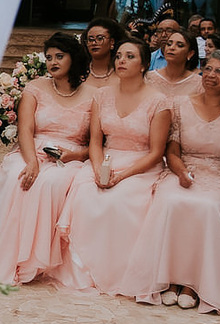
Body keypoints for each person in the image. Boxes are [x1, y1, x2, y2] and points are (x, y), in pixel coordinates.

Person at [126, 50, 220, 313]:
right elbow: (171, 152)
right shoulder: (182, 104)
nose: (211, 76)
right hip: (183, 169)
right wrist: (182, 172)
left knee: (208, 207)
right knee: (171, 200)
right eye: (207, 69)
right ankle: (170, 280)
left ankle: (194, 284)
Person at [57, 38, 171, 295]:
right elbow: (96, 142)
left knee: (121, 201)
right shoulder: (102, 95)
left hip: (140, 165)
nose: (121, 60)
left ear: (144, 65)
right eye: (119, 55)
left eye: (130, 56)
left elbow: (156, 153)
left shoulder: (159, 102)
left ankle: (119, 271)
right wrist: (97, 169)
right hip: (106, 159)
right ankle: (82, 269)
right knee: (85, 195)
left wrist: (121, 176)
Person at [0, 32, 93, 285]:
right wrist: (32, 162)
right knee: (19, 178)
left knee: (50, 184)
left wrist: (75, 154)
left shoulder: (93, 95)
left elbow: (97, 143)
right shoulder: (35, 88)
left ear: (74, 58)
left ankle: (36, 260)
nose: (53, 61)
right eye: (49, 57)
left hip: (71, 156)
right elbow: (26, 130)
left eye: (59, 56)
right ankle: (11, 259)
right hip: (32, 149)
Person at [146, 29, 202, 97]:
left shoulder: (199, 83)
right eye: (169, 44)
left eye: (180, 45)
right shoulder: (149, 78)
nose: (172, 48)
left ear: (190, 54)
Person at [83, 17, 124, 83]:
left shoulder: (123, 72)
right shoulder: (79, 72)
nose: (94, 43)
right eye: (90, 39)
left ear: (112, 42)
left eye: (100, 38)